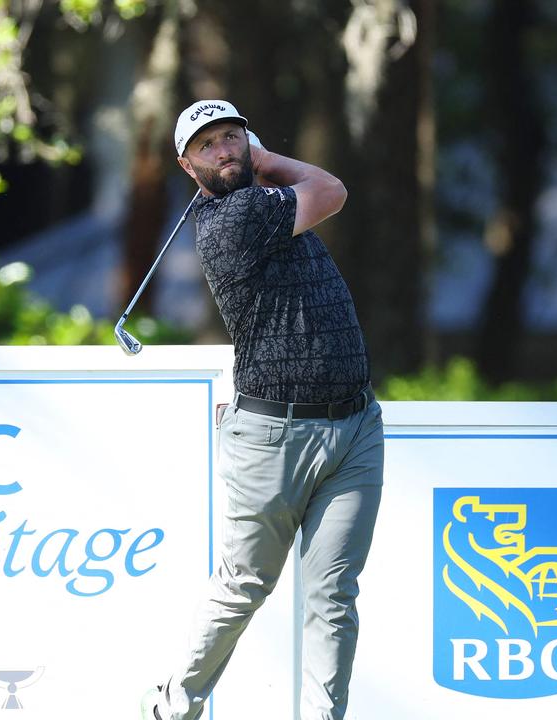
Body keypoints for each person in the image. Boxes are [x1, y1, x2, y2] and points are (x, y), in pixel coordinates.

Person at [141, 100, 385, 720]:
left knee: (333, 596)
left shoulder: (272, 208)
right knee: (244, 586)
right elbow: (330, 189)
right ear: (186, 165)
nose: (223, 151)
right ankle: (176, 701)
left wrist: (260, 160)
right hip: (274, 437)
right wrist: (268, 160)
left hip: (355, 426)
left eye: (232, 138)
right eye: (207, 146)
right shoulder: (237, 217)